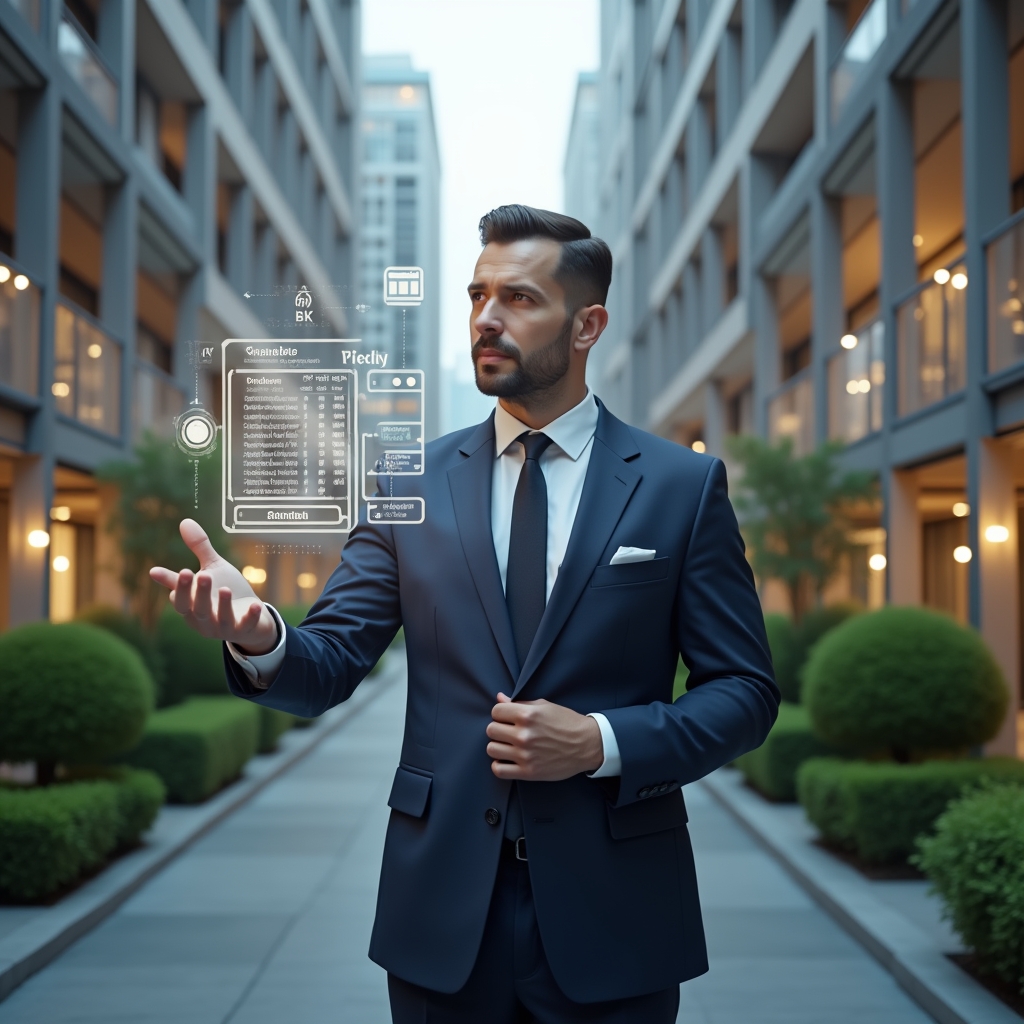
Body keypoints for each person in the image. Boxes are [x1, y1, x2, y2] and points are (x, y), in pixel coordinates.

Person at [151, 205, 779, 1024]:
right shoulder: (409, 480)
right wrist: (260, 633)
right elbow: (334, 660)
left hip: (617, 915)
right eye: (478, 295)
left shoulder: (679, 487)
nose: (487, 317)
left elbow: (745, 691)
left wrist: (602, 743)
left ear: (587, 324)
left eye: (519, 299)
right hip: (441, 914)